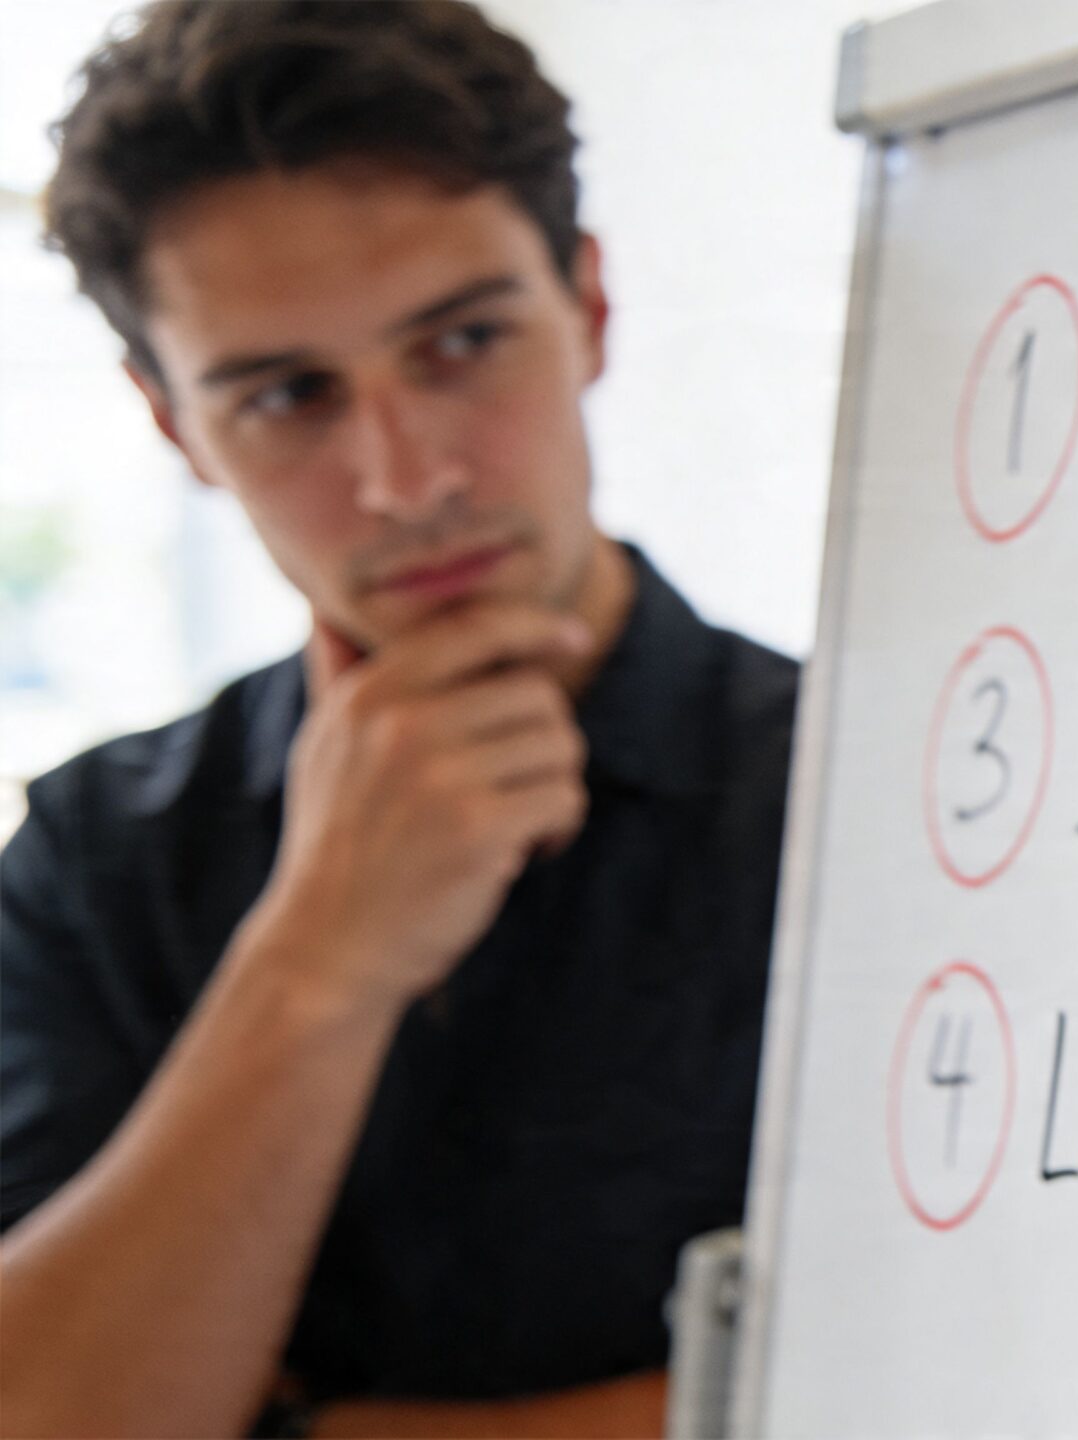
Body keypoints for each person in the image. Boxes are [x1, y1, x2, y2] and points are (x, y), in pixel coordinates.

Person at [0, 3, 798, 1434]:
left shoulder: (868, 798)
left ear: (590, 311)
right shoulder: (90, 858)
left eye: (462, 342)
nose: (404, 476)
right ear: (177, 428)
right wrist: (320, 963)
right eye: (289, 395)